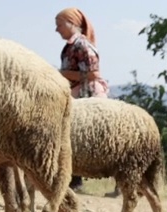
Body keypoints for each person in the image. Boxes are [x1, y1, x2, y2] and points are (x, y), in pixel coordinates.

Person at [55, 8, 120, 198]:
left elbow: (93, 73)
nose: (57, 29)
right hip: (78, 94)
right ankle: (74, 181)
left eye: (59, 24)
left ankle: (121, 182)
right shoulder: (72, 45)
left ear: (72, 23)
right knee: (73, 137)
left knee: (101, 139)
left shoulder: (82, 45)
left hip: (88, 96)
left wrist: (63, 74)